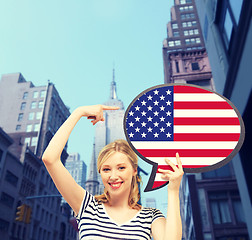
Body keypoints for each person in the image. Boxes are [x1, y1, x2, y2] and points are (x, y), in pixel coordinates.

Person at [42, 104, 184, 240]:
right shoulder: (87, 207)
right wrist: (79, 112)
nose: (113, 176)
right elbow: (50, 159)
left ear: (134, 170)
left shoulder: (150, 216)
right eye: (106, 169)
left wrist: (173, 190)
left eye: (121, 168)